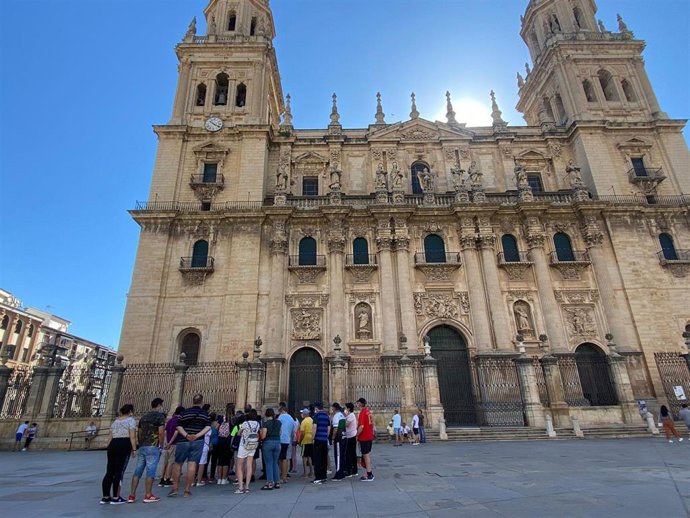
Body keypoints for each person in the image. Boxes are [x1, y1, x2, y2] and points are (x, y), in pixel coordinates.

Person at [169, 394, 211, 498]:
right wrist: (196, 436)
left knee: (178, 464)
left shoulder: (184, 412)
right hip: (197, 441)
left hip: (183, 441)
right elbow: (208, 427)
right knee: (192, 465)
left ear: (192, 401)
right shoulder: (204, 414)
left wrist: (186, 435)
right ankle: (187, 490)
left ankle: (175, 489)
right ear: (201, 402)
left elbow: (178, 426)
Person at [129, 397, 166, 503]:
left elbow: (139, 432)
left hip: (142, 446)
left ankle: (132, 495)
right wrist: (162, 446)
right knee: (151, 471)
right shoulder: (159, 417)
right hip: (153, 446)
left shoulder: (143, 417)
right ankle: (148, 495)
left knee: (138, 471)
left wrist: (139, 444)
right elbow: (161, 433)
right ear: (159, 405)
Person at [101, 404, 137, 505]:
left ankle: (105, 496)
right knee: (119, 471)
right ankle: (116, 497)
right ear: (130, 411)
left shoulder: (115, 421)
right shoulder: (131, 420)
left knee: (109, 471)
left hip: (113, 444)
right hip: (124, 444)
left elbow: (110, 436)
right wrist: (134, 449)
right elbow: (132, 436)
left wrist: (109, 448)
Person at [235, 408, 260, 494]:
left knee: (239, 466)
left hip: (244, 445)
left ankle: (240, 487)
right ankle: (247, 487)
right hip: (252, 445)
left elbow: (238, 433)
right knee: (249, 465)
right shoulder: (257, 424)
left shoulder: (245, 423)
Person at [159, 405, 183, 487]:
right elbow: (176, 433)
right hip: (173, 443)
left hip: (167, 444)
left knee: (165, 462)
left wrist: (166, 442)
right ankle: (168, 479)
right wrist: (170, 443)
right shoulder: (179, 421)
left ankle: (162, 479)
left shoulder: (170, 420)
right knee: (171, 462)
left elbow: (165, 432)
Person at [260, 408, 281, 490]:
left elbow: (263, 436)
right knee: (275, 463)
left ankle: (270, 483)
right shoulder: (278, 422)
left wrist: (261, 434)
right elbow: (280, 433)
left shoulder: (266, 423)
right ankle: (277, 482)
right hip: (277, 442)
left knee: (268, 463)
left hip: (268, 443)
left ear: (266, 414)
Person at [311, 402, 331, 485]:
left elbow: (314, 427)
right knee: (324, 459)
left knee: (317, 459)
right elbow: (329, 428)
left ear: (316, 408)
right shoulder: (327, 416)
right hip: (324, 439)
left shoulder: (316, 416)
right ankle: (324, 476)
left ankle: (318, 477)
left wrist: (313, 438)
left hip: (318, 439)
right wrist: (326, 436)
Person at [356, 397, 375, 481]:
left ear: (360, 403)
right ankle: (368, 472)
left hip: (364, 437)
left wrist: (356, 435)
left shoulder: (363, 412)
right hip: (369, 436)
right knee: (366, 455)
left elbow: (361, 426)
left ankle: (370, 474)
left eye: (358, 403)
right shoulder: (368, 411)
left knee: (366, 455)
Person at [194, 413, 214, 487]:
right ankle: (199, 480)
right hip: (204, 446)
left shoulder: (197, 427)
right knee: (202, 463)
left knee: (195, 462)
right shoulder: (208, 428)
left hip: (196, 445)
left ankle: (193, 480)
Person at [277, 405, 295, 484]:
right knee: (285, 458)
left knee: (282, 458)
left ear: (281, 411)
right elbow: (292, 432)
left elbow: (278, 429)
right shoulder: (291, 418)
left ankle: (283, 476)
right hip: (288, 440)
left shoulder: (280, 417)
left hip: (281, 439)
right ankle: (284, 475)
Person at [215, 407, 234, 485]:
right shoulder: (233, 420)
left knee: (220, 460)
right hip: (228, 441)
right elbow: (233, 432)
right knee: (226, 461)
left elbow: (216, 428)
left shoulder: (222, 418)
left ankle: (219, 479)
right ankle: (224, 479)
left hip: (220, 440)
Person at [330, 403, 347, 480]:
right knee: (342, 455)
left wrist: (333, 438)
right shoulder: (342, 415)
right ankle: (342, 471)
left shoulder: (336, 416)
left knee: (338, 456)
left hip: (338, 439)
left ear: (334, 408)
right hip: (344, 437)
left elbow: (335, 429)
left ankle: (339, 474)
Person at [343, 402, 358, 477]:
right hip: (351, 436)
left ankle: (349, 471)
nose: (345, 409)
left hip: (351, 436)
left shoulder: (351, 415)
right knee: (352, 453)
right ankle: (354, 470)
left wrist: (343, 419)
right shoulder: (350, 415)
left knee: (349, 454)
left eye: (345, 408)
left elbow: (346, 425)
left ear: (348, 408)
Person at [298, 408, 314, 478]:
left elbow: (302, 433)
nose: (301, 415)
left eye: (302, 413)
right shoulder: (312, 420)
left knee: (304, 457)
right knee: (310, 456)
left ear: (304, 414)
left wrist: (300, 441)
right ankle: (311, 472)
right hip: (311, 440)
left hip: (305, 440)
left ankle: (305, 473)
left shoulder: (304, 421)